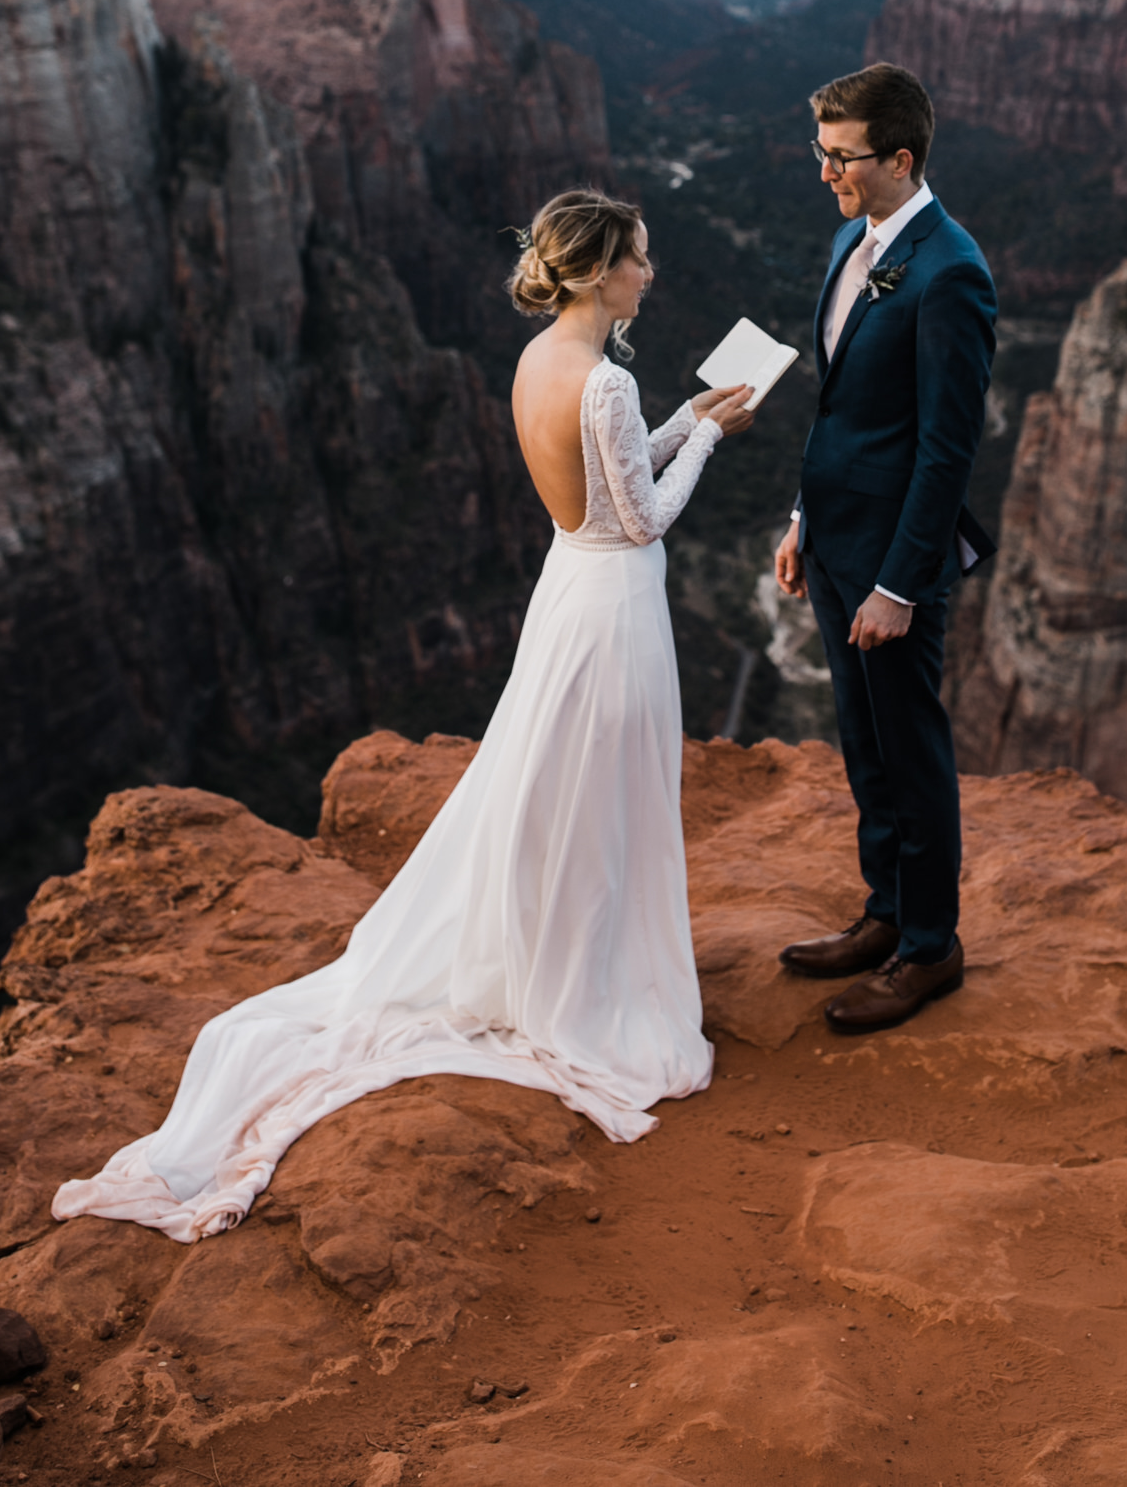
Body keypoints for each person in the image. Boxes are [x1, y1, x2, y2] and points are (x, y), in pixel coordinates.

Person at [52, 189, 753, 1242]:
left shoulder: (540, 363)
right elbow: (642, 516)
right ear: (601, 270)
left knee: (559, 783)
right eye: (638, 260)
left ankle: (555, 956)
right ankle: (589, 986)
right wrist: (713, 440)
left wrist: (686, 416)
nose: (649, 273)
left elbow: (603, 489)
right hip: (614, 605)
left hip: (568, 589)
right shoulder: (603, 378)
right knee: (605, 791)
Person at [773, 62, 996, 1035]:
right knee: (862, 743)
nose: (824, 173)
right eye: (819, 153)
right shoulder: (848, 240)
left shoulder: (949, 273)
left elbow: (946, 449)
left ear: (899, 159)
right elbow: (840, 409)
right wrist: (799, 520)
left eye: (841, 157)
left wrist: (899, 583)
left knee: (908, 745)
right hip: (831, 541)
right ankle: (883, 910)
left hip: (889, 566)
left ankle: (928, 946)